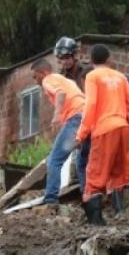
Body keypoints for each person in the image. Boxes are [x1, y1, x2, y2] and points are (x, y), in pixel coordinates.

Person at [75, 44, 129, 225]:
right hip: (122, 127)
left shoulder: (92, 76)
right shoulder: (120, 76)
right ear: (109, 59)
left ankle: (96, 223)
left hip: (104, 129)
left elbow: (91, 104)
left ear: (92, 60)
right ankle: (121, 215)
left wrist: (81, 134)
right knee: (118, 174)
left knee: (95, 175)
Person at [31, 59, 87, 204]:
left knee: (54, 160)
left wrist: (57, 115)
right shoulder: (66, 80)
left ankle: (50, 198)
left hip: (75, 118)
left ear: (42, 72)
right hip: (87, 117)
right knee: (82, 160)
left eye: (35, 76)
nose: (35, 80)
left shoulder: (48, 80)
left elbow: (60, 94)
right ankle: (88, 195)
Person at [54, 36, 93, 194]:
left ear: (74, 55)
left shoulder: (87, 71)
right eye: (62, 58)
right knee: (80, 155)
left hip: (91, 115)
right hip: (76, 120)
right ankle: (83, 190)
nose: (66, 61)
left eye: (68, 57)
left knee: (91, 155)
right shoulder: (61, 78)